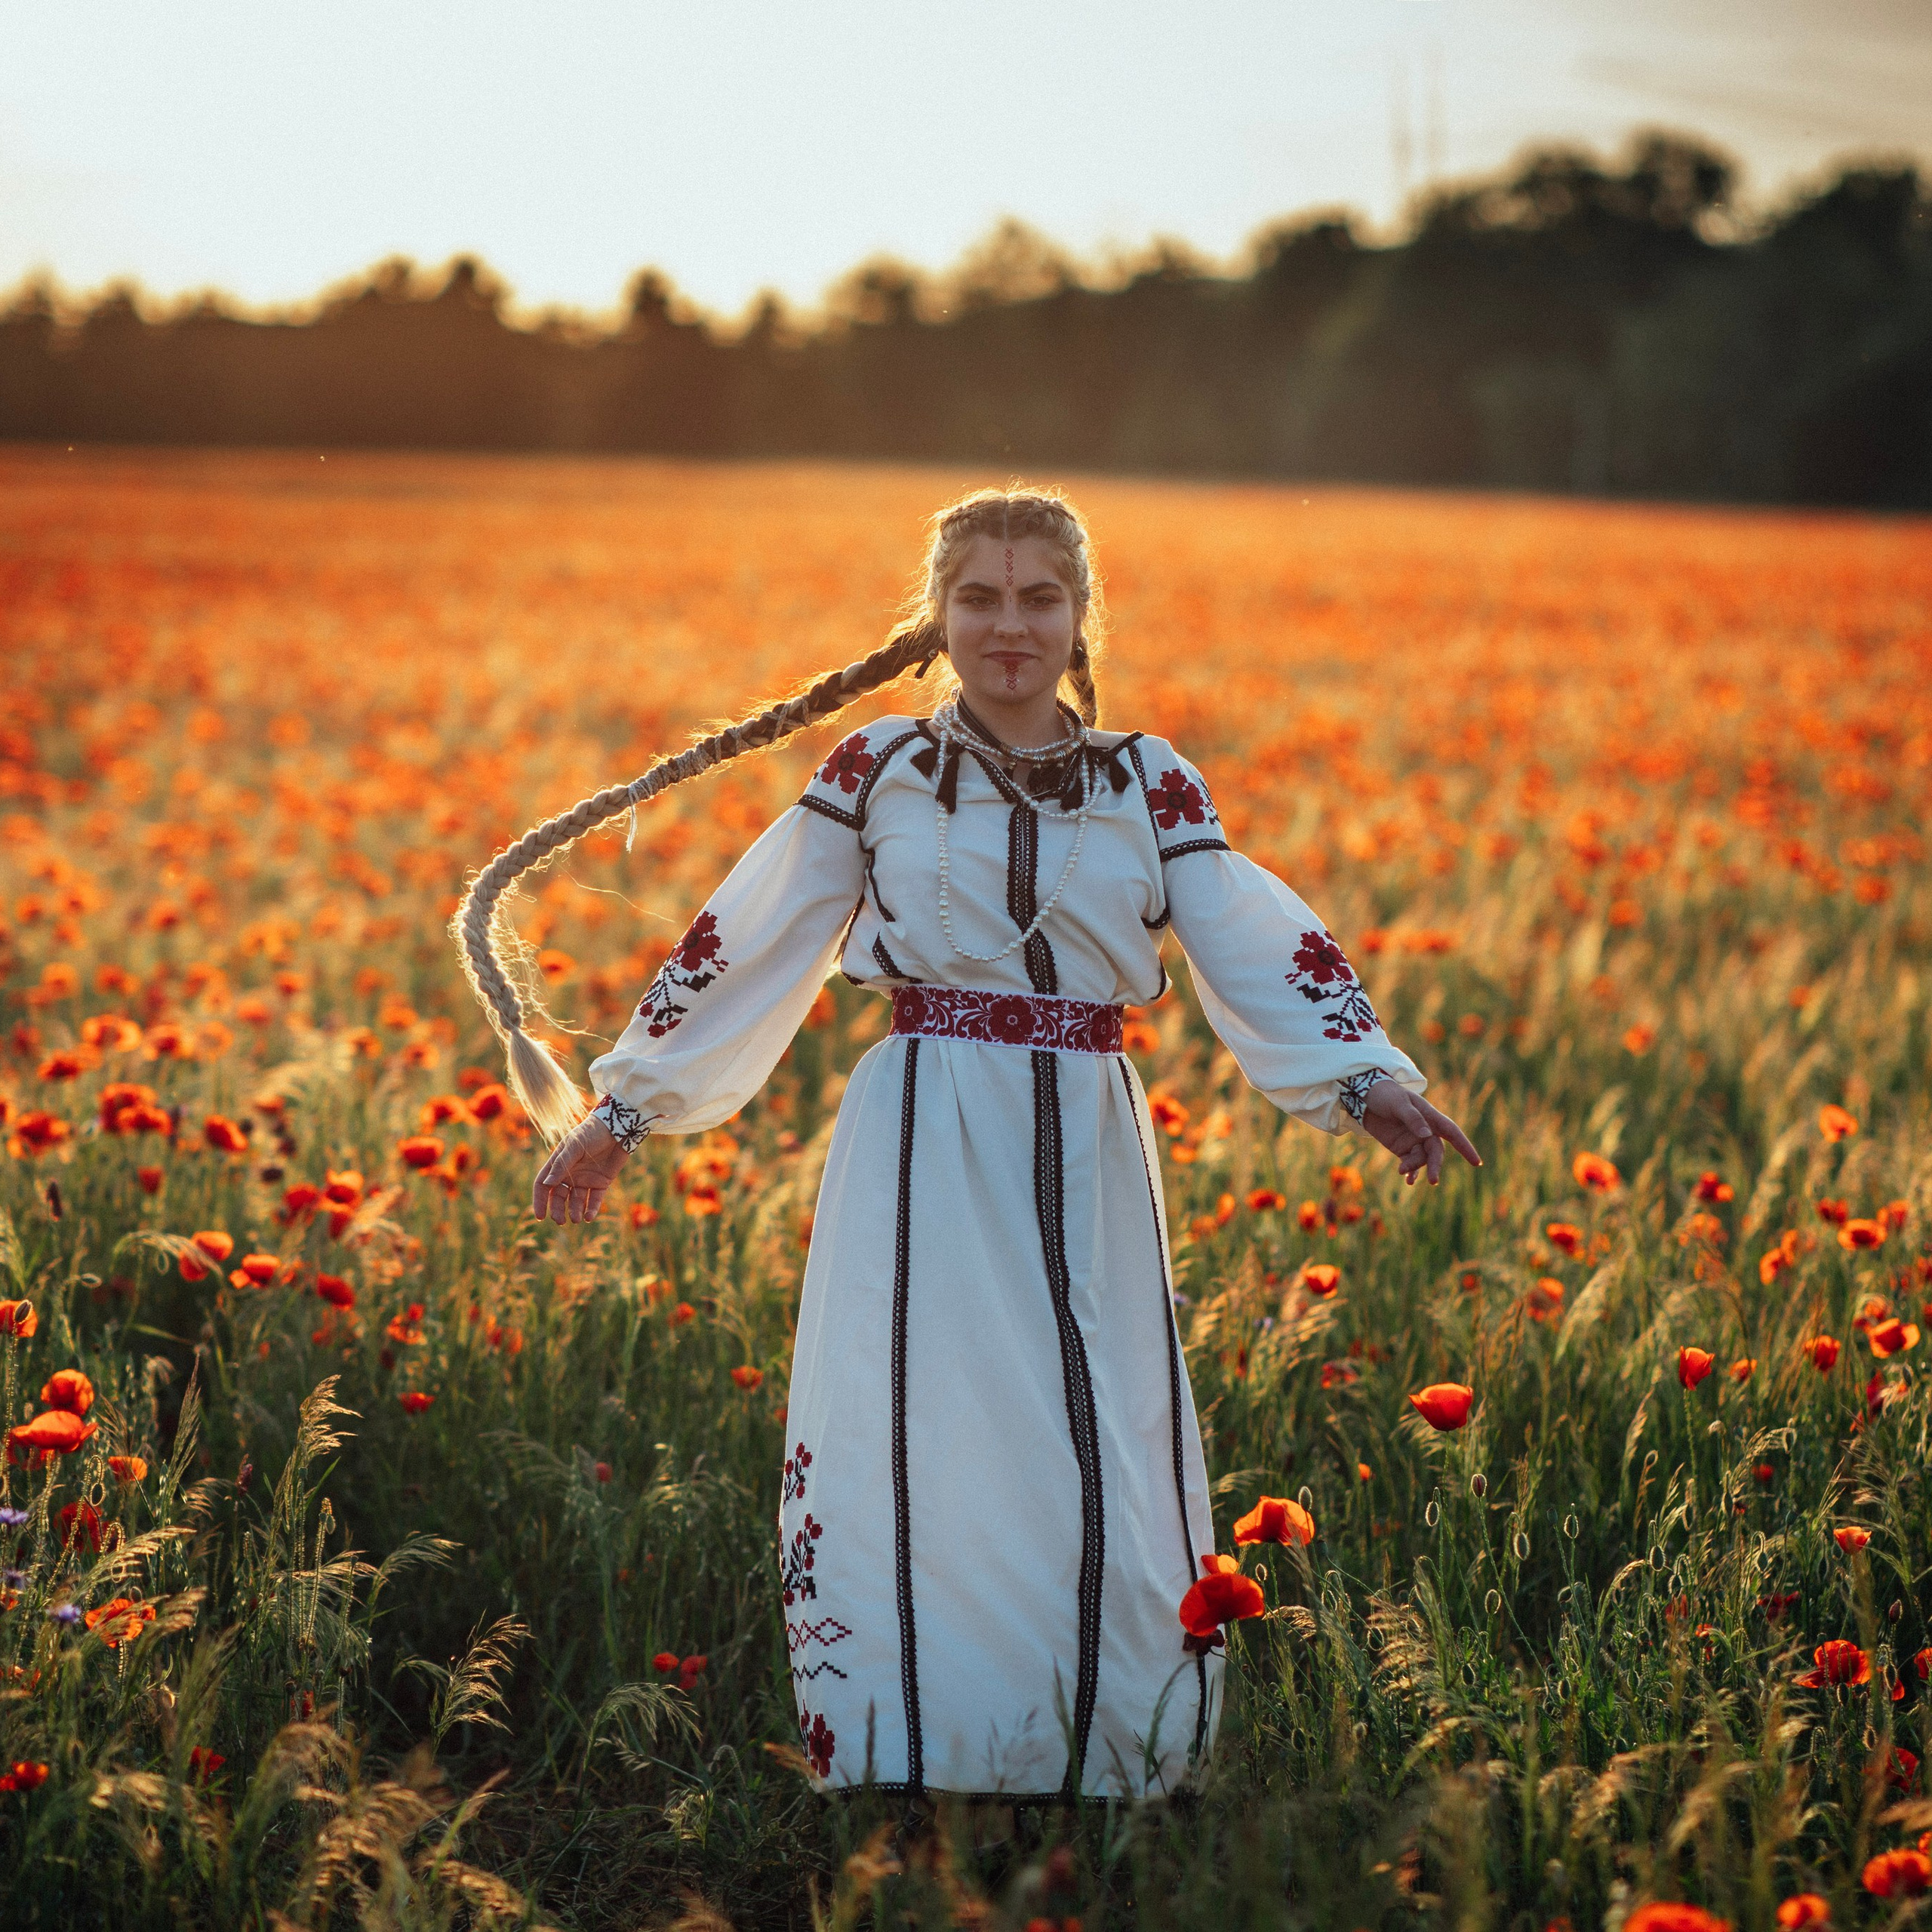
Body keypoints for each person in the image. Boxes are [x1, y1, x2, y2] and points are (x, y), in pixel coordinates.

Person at [454, 486, 1478, 1805]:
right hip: (923, 1131)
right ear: (935, 621)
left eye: (1040, 598)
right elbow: (754, 936)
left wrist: (1363, 1078)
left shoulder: (1147, 781)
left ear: (1080, 614)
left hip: (1090, 1134)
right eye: (980, 599)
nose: (1011, 626)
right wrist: (627, 1108)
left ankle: (1110, 1756)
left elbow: (1246, 933)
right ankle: (912, 1756)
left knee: (1091, 1425)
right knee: (917, 1427)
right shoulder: (875, 771)